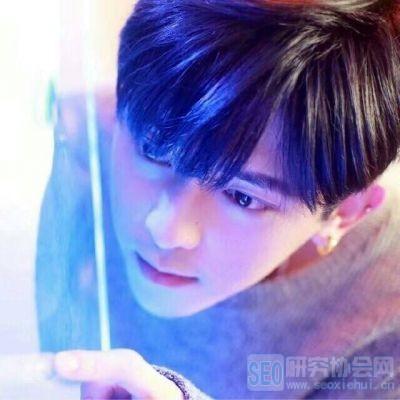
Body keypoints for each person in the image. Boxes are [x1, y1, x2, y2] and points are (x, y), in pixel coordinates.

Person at [36, 0, 400, 398]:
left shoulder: (385, 329)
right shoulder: (82, 141)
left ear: (346, 211)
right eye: (153, 151)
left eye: (242, 197)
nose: (165, 229)